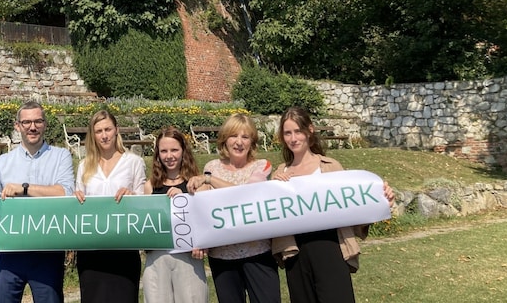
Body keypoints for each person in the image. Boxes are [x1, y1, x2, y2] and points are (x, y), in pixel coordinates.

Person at [270, 106, 394, 303]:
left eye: (298, 131)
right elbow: (269, 215)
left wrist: (381, 197)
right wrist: (274, 186)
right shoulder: (279, 173)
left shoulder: (331, 167)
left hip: (331, 247)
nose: (293, 138)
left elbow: (355, 204)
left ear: (310, 130)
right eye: (287, 133)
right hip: (296, 253)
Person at [0, 101, 74, 303]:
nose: (33, 127)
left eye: (38, 121)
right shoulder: (3, 163)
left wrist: (25, 188)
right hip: (8, 253)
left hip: (47, 251)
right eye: (27, 122)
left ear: (45, 124)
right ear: (17, 126)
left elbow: (65, 193)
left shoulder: (60, 156)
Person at [187, 113, 281, 303]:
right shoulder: (212, 166)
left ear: (252, 142)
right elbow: (204, 208)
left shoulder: (262, 166)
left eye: (245, 137)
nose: (239, 142)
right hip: (222, 258)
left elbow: (246, 194)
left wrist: (209, 179)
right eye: (233, 136)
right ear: (224, 140)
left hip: (258, 254)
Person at [74, 109, 147, 303]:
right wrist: (76, 198)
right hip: (91, 250)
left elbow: (143, 201)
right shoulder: (84, 165)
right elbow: (78, 202)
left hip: (123, 247)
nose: (104, 135)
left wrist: (133, 196)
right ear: (93, 135)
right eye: (99, 131)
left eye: (107, 129)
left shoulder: (134, 162)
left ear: (117, 130)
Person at [142, 126, 208, 303]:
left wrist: (184, 200)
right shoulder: (149, 186)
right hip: (156, 259)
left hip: (188, 259)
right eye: (163, 151)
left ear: (183, 151)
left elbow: (205, 222)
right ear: (157, 154)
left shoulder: (197, 184)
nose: (169, 156)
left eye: (174, 150)